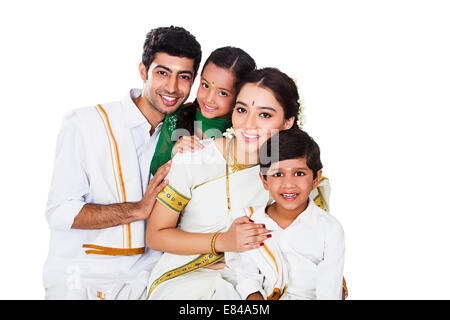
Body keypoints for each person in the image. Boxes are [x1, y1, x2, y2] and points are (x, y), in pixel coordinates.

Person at [43, 26, 202, 300]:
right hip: (81, 279)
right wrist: (137, 210)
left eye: (183, 77)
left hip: (149, 282)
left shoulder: (189, 136)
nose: (173, 88)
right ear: (143, 71)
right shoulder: (85, 123)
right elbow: (60, 211)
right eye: (162, 73)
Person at [145, 67, 321, 299]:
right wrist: (223, 242)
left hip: (264, 283)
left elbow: (308, 250)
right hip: (188, 278)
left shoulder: (294, 176)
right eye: (242, 110)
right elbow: (156, 236)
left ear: (288, 122)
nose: (249, 124)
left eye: (265, 115)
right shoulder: (193, 159)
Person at [225, 129, 345, 300]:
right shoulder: (249, 221)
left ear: (316, 178)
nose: (289, 185)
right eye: (278, 174)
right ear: (264, 180)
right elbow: (247, 277)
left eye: (299, 173)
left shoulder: (329, 229)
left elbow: (330, 290)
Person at [149, 46, 256, 176]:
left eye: (222, 93)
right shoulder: (178, 115)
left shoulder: (245, 131)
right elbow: (155, 168)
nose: (209, 98)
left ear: (241, 95)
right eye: (205, 85)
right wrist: (174, 151)